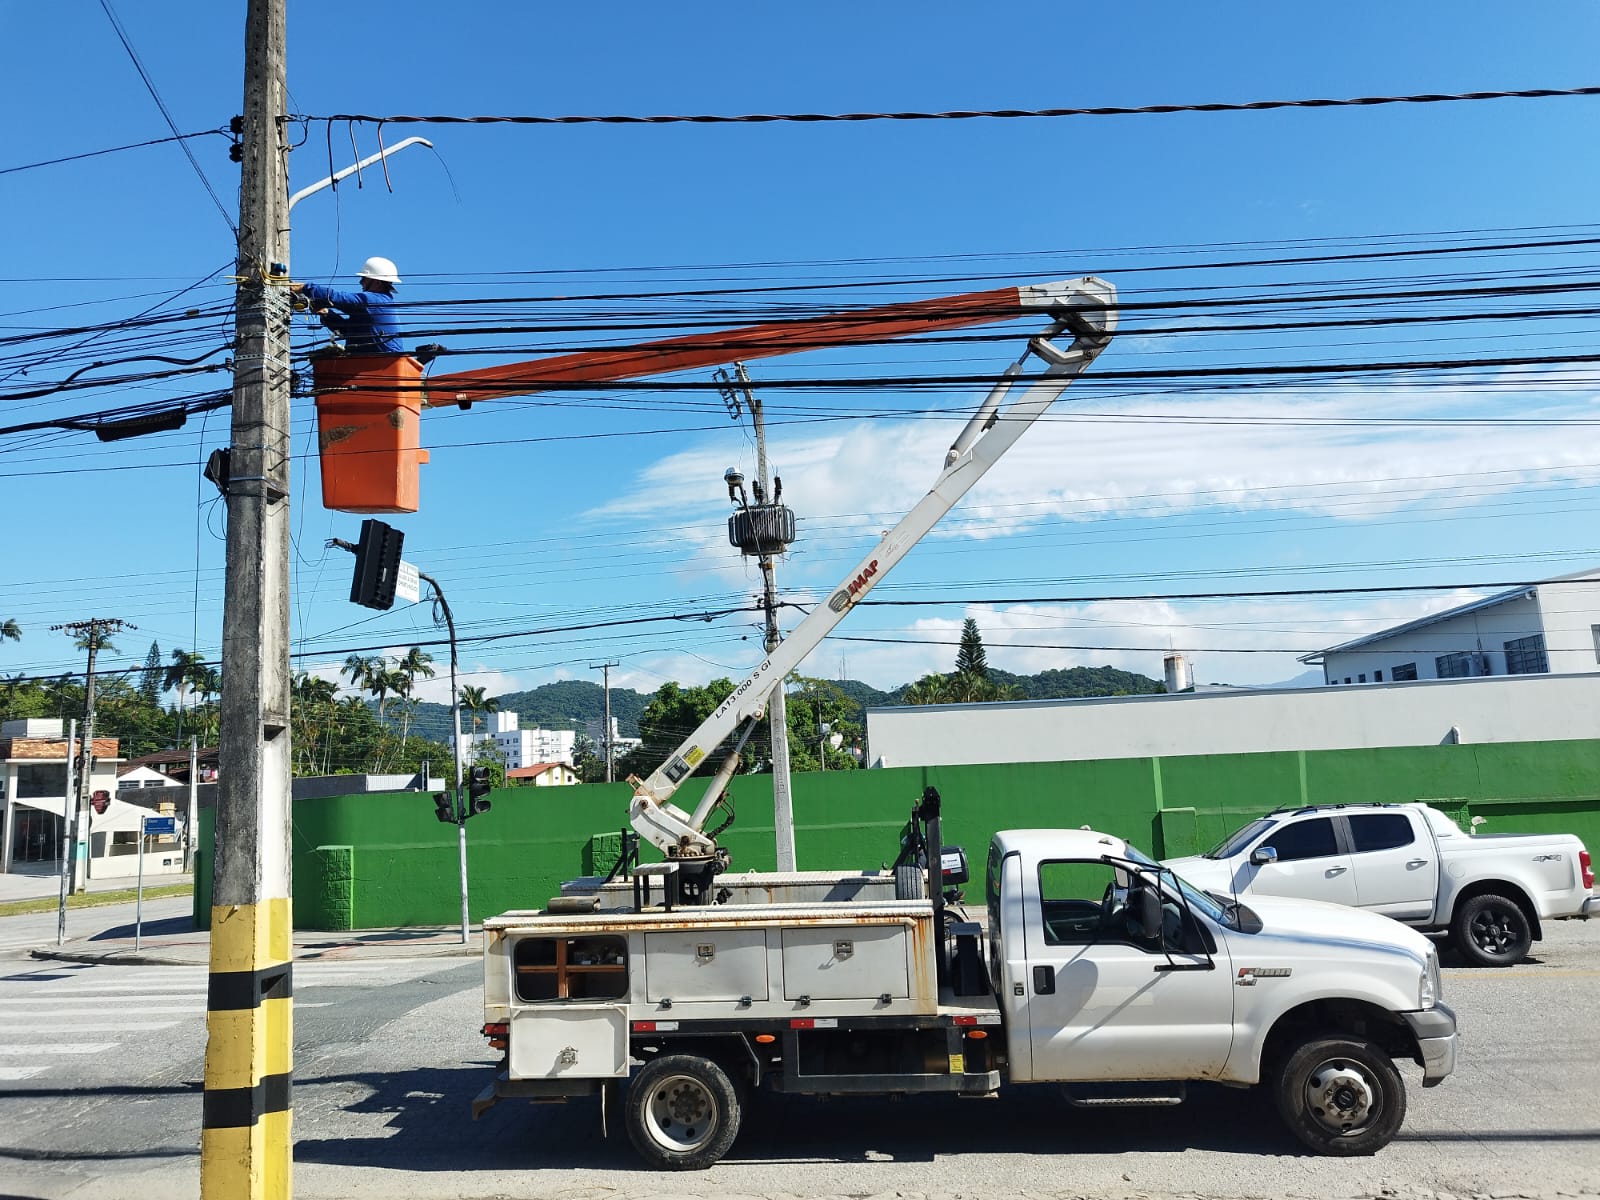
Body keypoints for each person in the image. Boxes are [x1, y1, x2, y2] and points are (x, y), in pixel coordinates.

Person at [290, 256, 403, 354]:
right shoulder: (381, 304)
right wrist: (326, 313)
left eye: (364, 279)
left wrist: (304, 288)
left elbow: (338, 298)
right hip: (375, 363)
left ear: (377, 282)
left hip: (382, 363)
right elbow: (348, 330)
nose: (360, 282)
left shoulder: (374, 300)